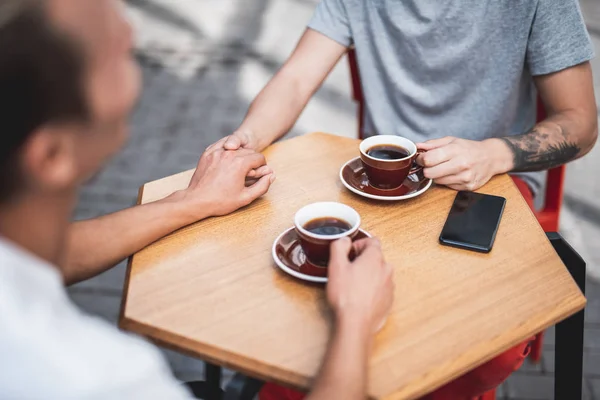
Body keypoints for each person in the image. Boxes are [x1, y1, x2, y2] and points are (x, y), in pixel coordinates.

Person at [0, 0, 393, 399]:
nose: (128, 29)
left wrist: (191, 201)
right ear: (51, 156)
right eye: (112, 49)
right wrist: (355, 318)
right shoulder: (101, 378)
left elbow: (59, 255)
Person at [210, 0, 598, 398]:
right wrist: (246, 141)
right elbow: (294, 80)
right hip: (379, 188)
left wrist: (494, 154)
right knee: (301, 300)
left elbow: (581, 123)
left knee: (490, 347)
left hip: (489, 181)